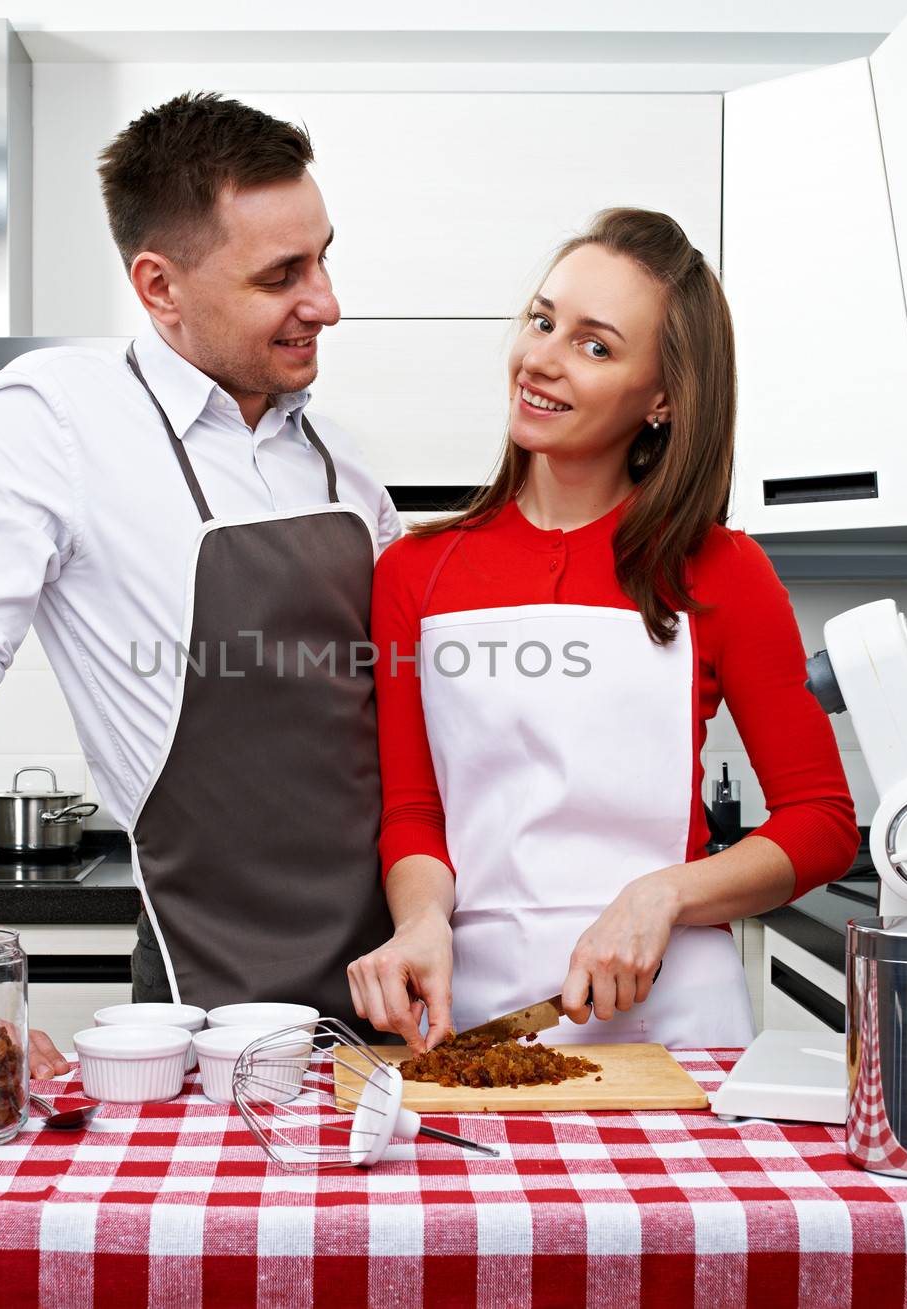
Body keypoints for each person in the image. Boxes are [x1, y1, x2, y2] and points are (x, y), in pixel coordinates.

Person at [0, 93, 400, 1076]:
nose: (326, 301)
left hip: (396, 986)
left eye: (324, 256)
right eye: (282, 274)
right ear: (159, 286)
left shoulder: (342, 462)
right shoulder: (56, 418)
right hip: (206, 1005)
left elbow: (409, 734)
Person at [346, 208, 859, 1054]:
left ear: (661, 397)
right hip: (471, 1014)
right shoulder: (414, 571)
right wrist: (418, 923)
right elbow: (414, 812)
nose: (541, 358)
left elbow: (822, 820)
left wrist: (663, 896)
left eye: (595, 345)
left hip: (677, 1022)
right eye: (543, 321)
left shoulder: (721, 571)